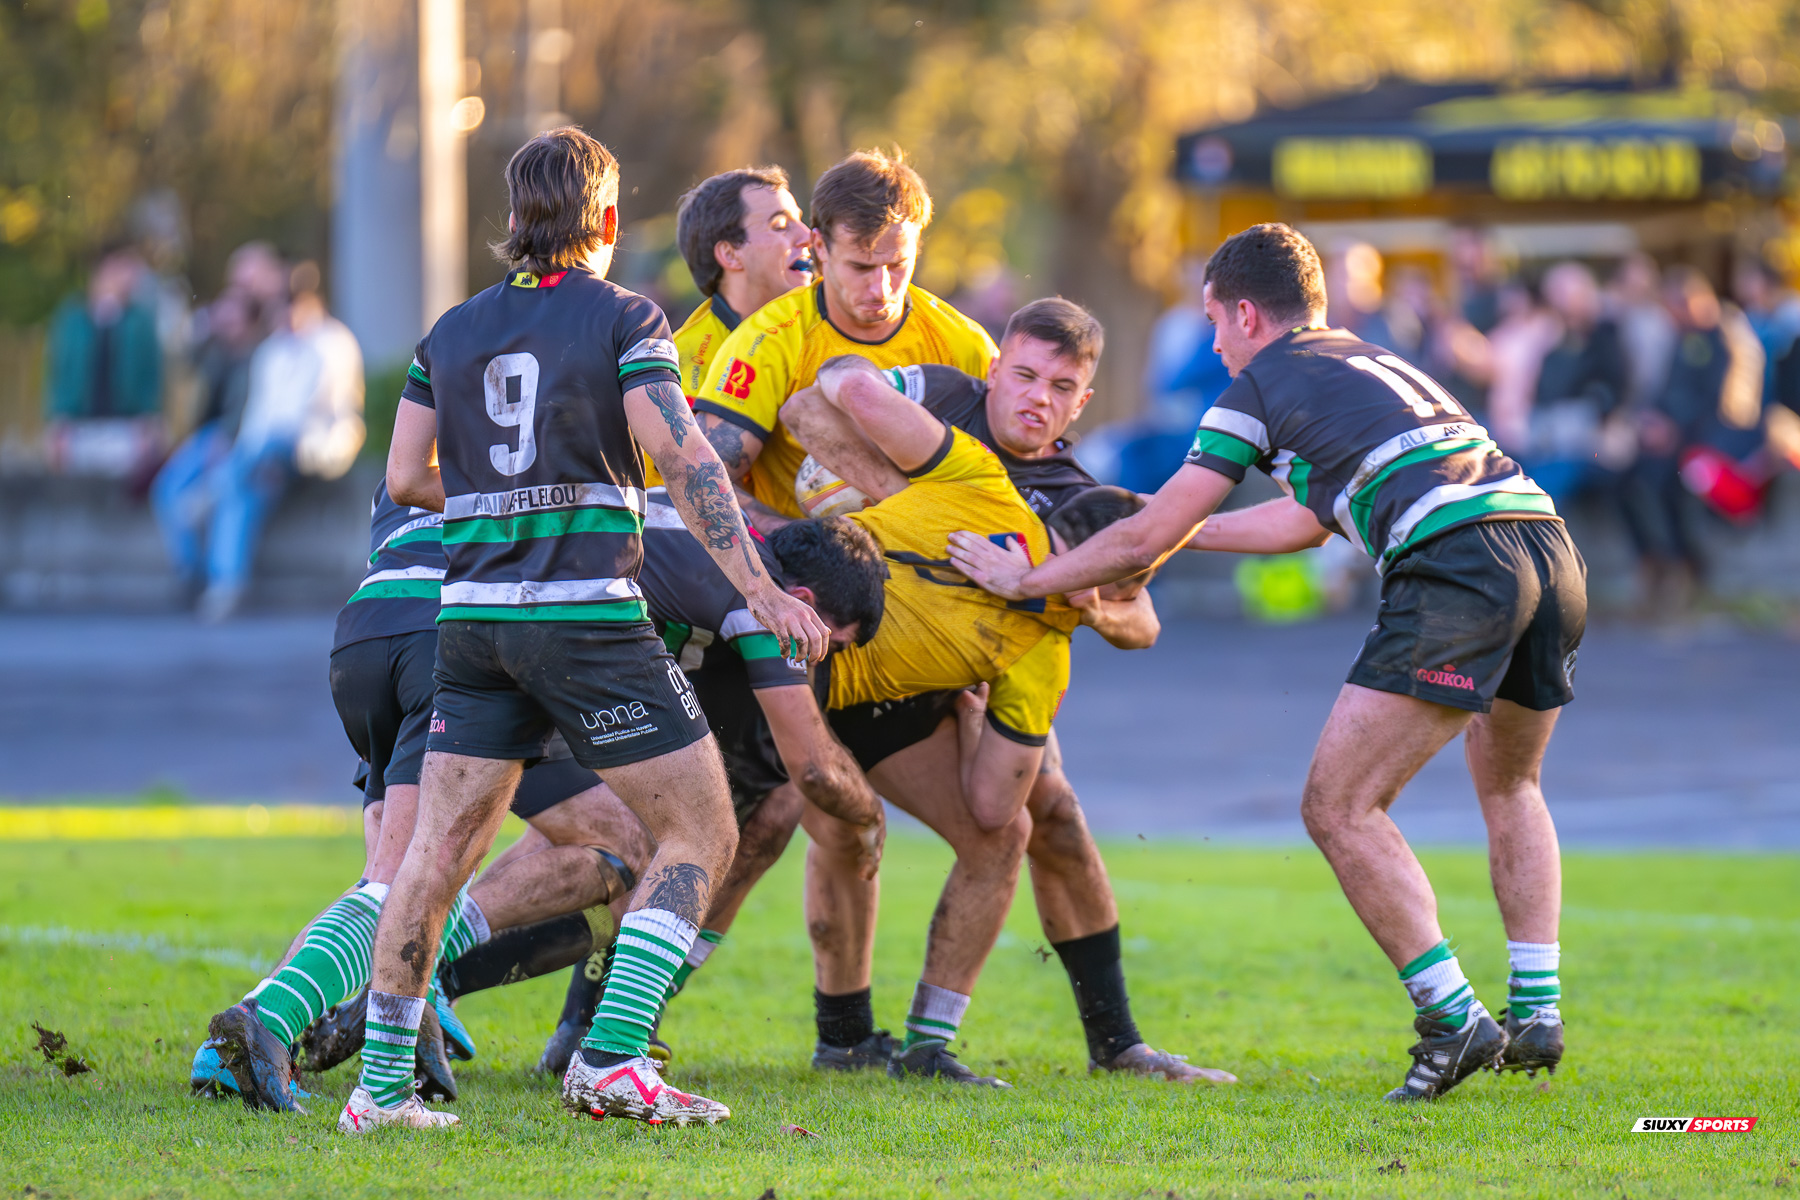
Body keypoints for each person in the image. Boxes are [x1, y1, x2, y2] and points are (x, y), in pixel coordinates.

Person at [951, 223, 1583, 1103]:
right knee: (1511, 783)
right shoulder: (1362, 360)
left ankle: (1452, 1018)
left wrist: (1031, 579)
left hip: (1458, 568)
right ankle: (1536, 1008)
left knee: (1339, 805)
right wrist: (1175, 529)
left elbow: (1141, 535)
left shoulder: (1260, 383)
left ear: (1247, 311)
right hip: (1548, 550)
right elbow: (1296, 521)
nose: (1213, 343)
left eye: (1216, 322)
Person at [344, 126, 827, 1134]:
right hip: (586, 619)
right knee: (705, 830)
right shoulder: (627, 317)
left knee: (432, 855)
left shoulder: (452, 330)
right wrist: (765, 590)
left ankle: (380, 1091)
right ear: (605, 220)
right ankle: (612, 1057)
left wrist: (496, 497)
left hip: (471, 625)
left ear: (515, 223)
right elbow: (686, 456)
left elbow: (400, 479)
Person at [775, 300, 1231, 1085]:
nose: (1037, 398)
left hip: (955, 676)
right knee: (756, 828)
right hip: (821, 637)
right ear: (995, 368)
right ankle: (610, 1026)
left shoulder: (1067, 489)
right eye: (1024, 375)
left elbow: (1141, 621)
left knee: (1041, 816)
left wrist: (1057, 589)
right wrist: (914, 507)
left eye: (1061, 386)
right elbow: (808, 407)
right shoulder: (942, 403)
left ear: (1081, 402)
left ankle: (1110, 1043)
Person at [190, 480, 653, 1112]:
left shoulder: (422, 429)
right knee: (410, 883)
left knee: (394, 874)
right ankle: (268, 1018)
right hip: (459, 636)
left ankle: (251, 1039)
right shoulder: (535, 413)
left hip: (366, 635)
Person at [691, 149, 997, 530]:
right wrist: (804, 541)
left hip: (939, 555)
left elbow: (1015, 477)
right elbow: (704, 482)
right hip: (806, 572)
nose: (881, 287)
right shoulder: (766, 339)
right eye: (861, 266)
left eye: (898, 264)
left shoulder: (964, 343)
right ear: (820, 248)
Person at [187, 261, 366, 621]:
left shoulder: (332, 342)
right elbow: (257, 416)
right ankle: (227, 585)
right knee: (246, 493)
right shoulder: (271, 351)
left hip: (312, 445)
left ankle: (213, 490)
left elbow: (332, 409)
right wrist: (250, 454)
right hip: (264, 455)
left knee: (262, 456)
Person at [151, 286, 262, 598]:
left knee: (222, 495)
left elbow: (254, 408)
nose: (226, 320)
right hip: (209, 436)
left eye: (232, 314)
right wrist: (202, 330)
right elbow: (181, 364)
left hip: (234, 438)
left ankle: (217, 579)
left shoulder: (261, 353)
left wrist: (229, 438)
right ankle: (189, 572)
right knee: (167, 489)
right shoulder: (217, 350)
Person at [42, 244, 165, 479]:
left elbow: (152, 376)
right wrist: (57, 423)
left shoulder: (141, 322)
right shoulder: (72, 319)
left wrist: (150, 423)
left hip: (125, 429)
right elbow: (59, 372)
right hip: (80, 427)